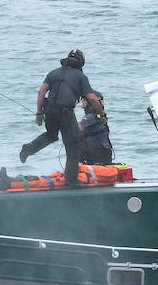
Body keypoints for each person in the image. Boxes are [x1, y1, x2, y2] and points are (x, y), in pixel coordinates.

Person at [19, 48, 103, 188]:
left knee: (51, 135)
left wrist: (39, 113)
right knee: (73, 145)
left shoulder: (54, 73)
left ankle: (28, 149)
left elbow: (41, 92)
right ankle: (71, 181)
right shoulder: (80, 77)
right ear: (81, 63)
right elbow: (93, 99)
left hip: (50, 109)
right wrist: (101, 115)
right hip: (65, 112)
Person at [79, 91, 113, 165]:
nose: (82, 101)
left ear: (91, 102)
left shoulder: (91, 117)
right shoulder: (99, 116)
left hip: (97, 153)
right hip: (103, 152)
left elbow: (76, 130)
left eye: (84, 99)